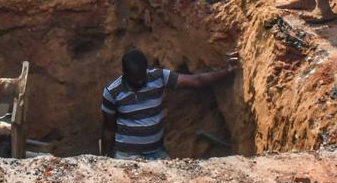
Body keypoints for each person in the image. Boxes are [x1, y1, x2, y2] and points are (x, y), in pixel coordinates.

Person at [101, 49, 236, 160]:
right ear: (125, 73)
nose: (140, 82)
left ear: (146, 69)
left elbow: (196, 81)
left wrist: (227, 71)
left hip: (156, 153)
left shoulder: (158, 77)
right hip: (127, 156)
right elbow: (108, 129)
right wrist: (104, 160)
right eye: (135, 79)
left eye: (142, 77)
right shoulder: (112, 92)